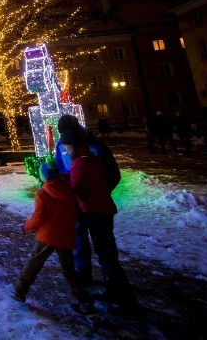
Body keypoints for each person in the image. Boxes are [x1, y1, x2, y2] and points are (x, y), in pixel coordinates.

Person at [65, 127, 142, 318]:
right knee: (107, 253)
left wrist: (61, 190)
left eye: (66, 147)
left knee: (106, 254)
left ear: (73, 146)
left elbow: (77, 189)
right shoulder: (92, 158)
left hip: (95, 212)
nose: (65, 150)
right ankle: (114, 289)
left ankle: (126, 300)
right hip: (104, 210)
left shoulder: (79, 164)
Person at [12, 162, 95, 317]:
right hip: (66, 235)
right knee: (69, 270)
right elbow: (80, 206)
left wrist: (26, 226)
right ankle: (84, 301)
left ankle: (19, 290)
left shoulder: (43, 193)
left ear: (43, 177)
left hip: (47, 236)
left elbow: (38, 217)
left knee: (34, 263)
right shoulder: (68, 189)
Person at [54, 114, 120, 286]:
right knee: (79, 238)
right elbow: (61, 167)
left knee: (104, 245)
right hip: (77, 203)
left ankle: (114, 282)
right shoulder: (62, 144)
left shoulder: (94, 147)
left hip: (95, 205)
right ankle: (84, 274)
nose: (65, 145)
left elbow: (112, 174)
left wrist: (98, 192)